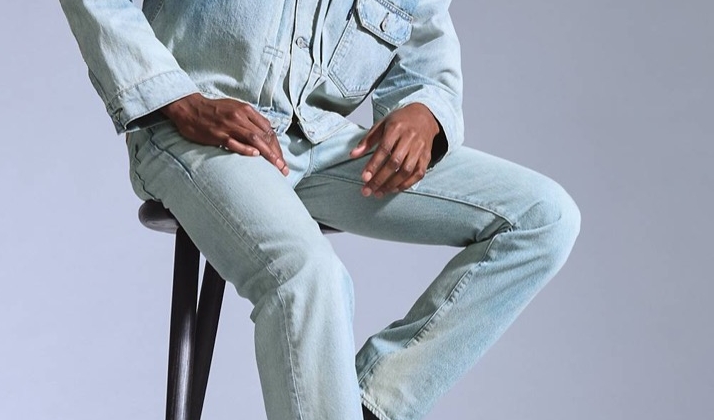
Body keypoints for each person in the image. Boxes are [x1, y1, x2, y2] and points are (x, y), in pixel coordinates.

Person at [59, 1, 581, 419]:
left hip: (319, 141)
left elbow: (427, 55)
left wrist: (426, 111)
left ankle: (364, 405)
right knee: (310, 277)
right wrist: (180, 101)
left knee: (543, 217)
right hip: (201, 133)